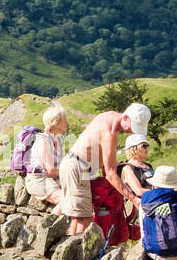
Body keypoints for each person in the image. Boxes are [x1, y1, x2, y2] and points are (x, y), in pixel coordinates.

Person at [59, 102, 149, 242]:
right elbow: (110, 174)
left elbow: (102, 159)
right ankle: (77, 256)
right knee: (85, 219)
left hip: (75, 166)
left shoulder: (109, 116)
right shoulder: (109, 133)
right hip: (77, 168)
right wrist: (134, 199)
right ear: (125, 117)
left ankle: (70, 251)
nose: (133, 131)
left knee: (78, 218)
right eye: (133, 126)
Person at [23, 102, 67, 207]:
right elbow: (50, 169)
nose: (67, 122)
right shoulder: (44, 140)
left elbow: (63, 165)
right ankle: (51, 223)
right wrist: (70, 172)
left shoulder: (59, 140)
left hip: (54, 179)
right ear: (55, 122)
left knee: (81, 196)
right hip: (39, 180)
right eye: (64, 119)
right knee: (68, 201)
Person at [118, 133, 154, 241]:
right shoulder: (127, 168)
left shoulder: (148, 166)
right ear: (133, 148)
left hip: (154, 199)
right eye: (144, 145)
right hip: (141, 204)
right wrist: (160, 192)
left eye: (147, 145)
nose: (147, 148)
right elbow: (138, 190)